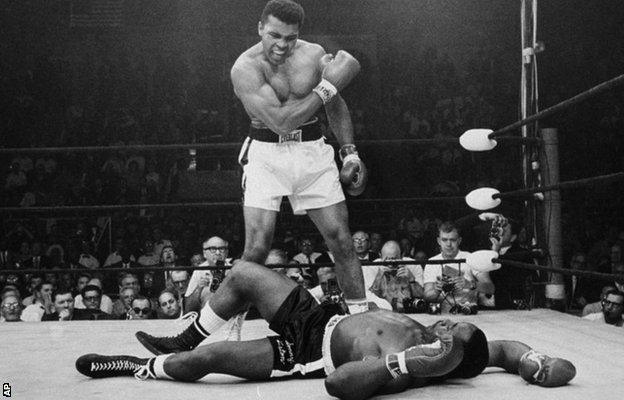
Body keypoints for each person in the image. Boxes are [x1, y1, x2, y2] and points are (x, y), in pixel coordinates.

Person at [76, 259, 576, 398]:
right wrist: (539, 364)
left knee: (202, 364)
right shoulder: (461, 346)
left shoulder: (412, 369)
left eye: (448, 330)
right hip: (319, 314)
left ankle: (141, 367)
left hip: (307, 353)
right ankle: (184, 333)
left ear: (446, 352)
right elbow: (507, 349)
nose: (444, 320)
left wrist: (405, 363)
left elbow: (337, 385)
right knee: (246, 273)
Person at [230, 0, 369, 314]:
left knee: (341, 240)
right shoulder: (245, 67)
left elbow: (335, 105)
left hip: (312, 150)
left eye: (289, 38)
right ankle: (231, 331)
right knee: (256, 249)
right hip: (266, 153)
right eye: (274, 35)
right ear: (260, 28)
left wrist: (349, 152)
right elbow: (281, 121)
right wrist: (328, 85)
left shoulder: (313, 54)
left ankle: (360, 320)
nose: (281, 45)